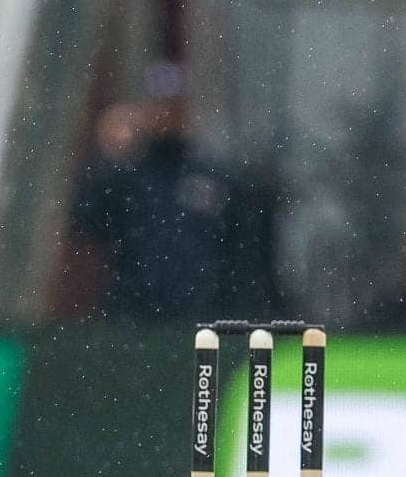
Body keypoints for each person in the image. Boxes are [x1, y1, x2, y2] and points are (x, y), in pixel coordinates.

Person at [70, 67, 278, 322]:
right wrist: (108, 151)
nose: (165, 114)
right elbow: (84, 221)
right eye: (159, 105)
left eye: (173, 105)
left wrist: (233, 309)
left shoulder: (213, 178)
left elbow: (243, 253)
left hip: (199, 320)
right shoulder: (126, 177)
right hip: (134, 321)